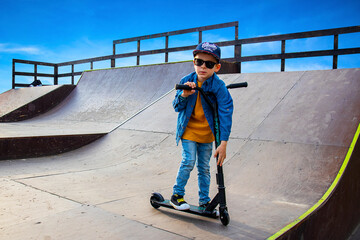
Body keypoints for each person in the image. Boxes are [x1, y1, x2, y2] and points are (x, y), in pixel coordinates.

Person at [171, 42, 233, 210]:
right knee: (188, 161)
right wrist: (184, 94)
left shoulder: (218, 87)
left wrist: (223, 142)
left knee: (204, 168)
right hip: (188, 131)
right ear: (194, 63)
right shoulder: (186, 81)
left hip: (206, 135)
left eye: (209, 64)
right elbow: (176, 106)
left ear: (217, 67)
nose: (203, 67)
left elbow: (225, 112)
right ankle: (177, 195)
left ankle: (204, 201)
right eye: (199, 62)